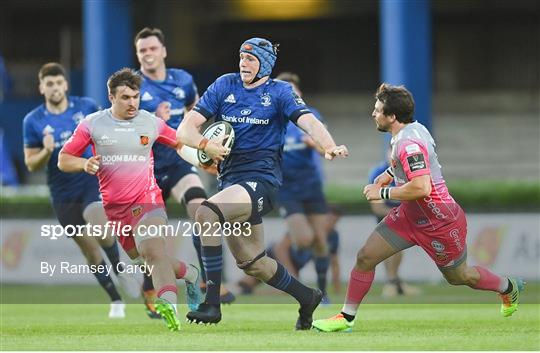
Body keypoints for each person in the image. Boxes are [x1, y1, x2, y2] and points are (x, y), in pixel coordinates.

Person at [312, 83, 525, 332]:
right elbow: (416, 165)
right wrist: (389, 173)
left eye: (378, 110)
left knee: (459, 277)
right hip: (409, 215)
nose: (373, 114)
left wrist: (381, 192)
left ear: (392, 117)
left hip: (439, 221)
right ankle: (346, 319)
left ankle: (507, 287)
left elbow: (422, 187)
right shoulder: (413, 130)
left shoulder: (408, 144)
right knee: (365, 257)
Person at [177, 37, 348, 329]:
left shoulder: (280, 92)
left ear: (265, 64)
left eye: (251, 59)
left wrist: (329, 145)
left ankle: (211, 303)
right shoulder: (224, 85)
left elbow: (309, 122)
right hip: (229, 184)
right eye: (242, 57)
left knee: (205, 213)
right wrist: (207, 144)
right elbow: (185, 130)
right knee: (253, 262)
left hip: (261, 181)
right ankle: (307, 297)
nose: (244, 63)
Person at [58, 68, 203, 332]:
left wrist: (202, 156)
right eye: (125, 97)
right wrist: (84, 163)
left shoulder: (150, 121)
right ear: (111, 96)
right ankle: (191, 274)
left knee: (154, 251)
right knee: (144, 258)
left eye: (135, 96)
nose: (132, 103)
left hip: (148, 199)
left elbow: (179, 143)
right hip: (116, 211)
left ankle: (168, 304)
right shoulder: (92, 124)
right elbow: (63, 159)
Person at [22, 62, 140, 318]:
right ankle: (116, 300)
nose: (54, 87)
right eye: (49, 83)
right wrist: (46, 151)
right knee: (89, 250)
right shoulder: (33, 121)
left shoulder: (85, 107)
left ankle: (120, 268)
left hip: (89, 179)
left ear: (65, 84)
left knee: (99, 224)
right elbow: (31, 163)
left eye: (58, 82)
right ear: (42, 87)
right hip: (62, 193)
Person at [134, 27, 234, 317]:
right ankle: (150, 287)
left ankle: (208, 279)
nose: (148, 54)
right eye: (142, 51)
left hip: (178, 163)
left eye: (152, 49)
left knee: (202, 210)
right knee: (153, 236)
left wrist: (201, 152)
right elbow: (122, 131)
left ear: (163, 51)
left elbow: (195, 115)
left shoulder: (183, 80)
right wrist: (153, 123)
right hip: (144, 171)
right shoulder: (133, 86)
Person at [235, 72, 339, 303]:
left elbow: (324, 148)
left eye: (294, 91)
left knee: (321, 241)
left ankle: (323, 293)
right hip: (286, 188)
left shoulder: (309, 117)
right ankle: (276, 249)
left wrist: (319, 146)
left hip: (311, 185)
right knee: (303, 239)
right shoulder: (270, 119)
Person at [368, 150, 421, 298]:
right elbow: (377, 207)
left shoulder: (410, 173)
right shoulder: (378, 172)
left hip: (402, 213)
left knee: (396, 249)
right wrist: (401, 214)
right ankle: (392, 283)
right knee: (393, 247)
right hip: (387, 214)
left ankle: (395, 282)